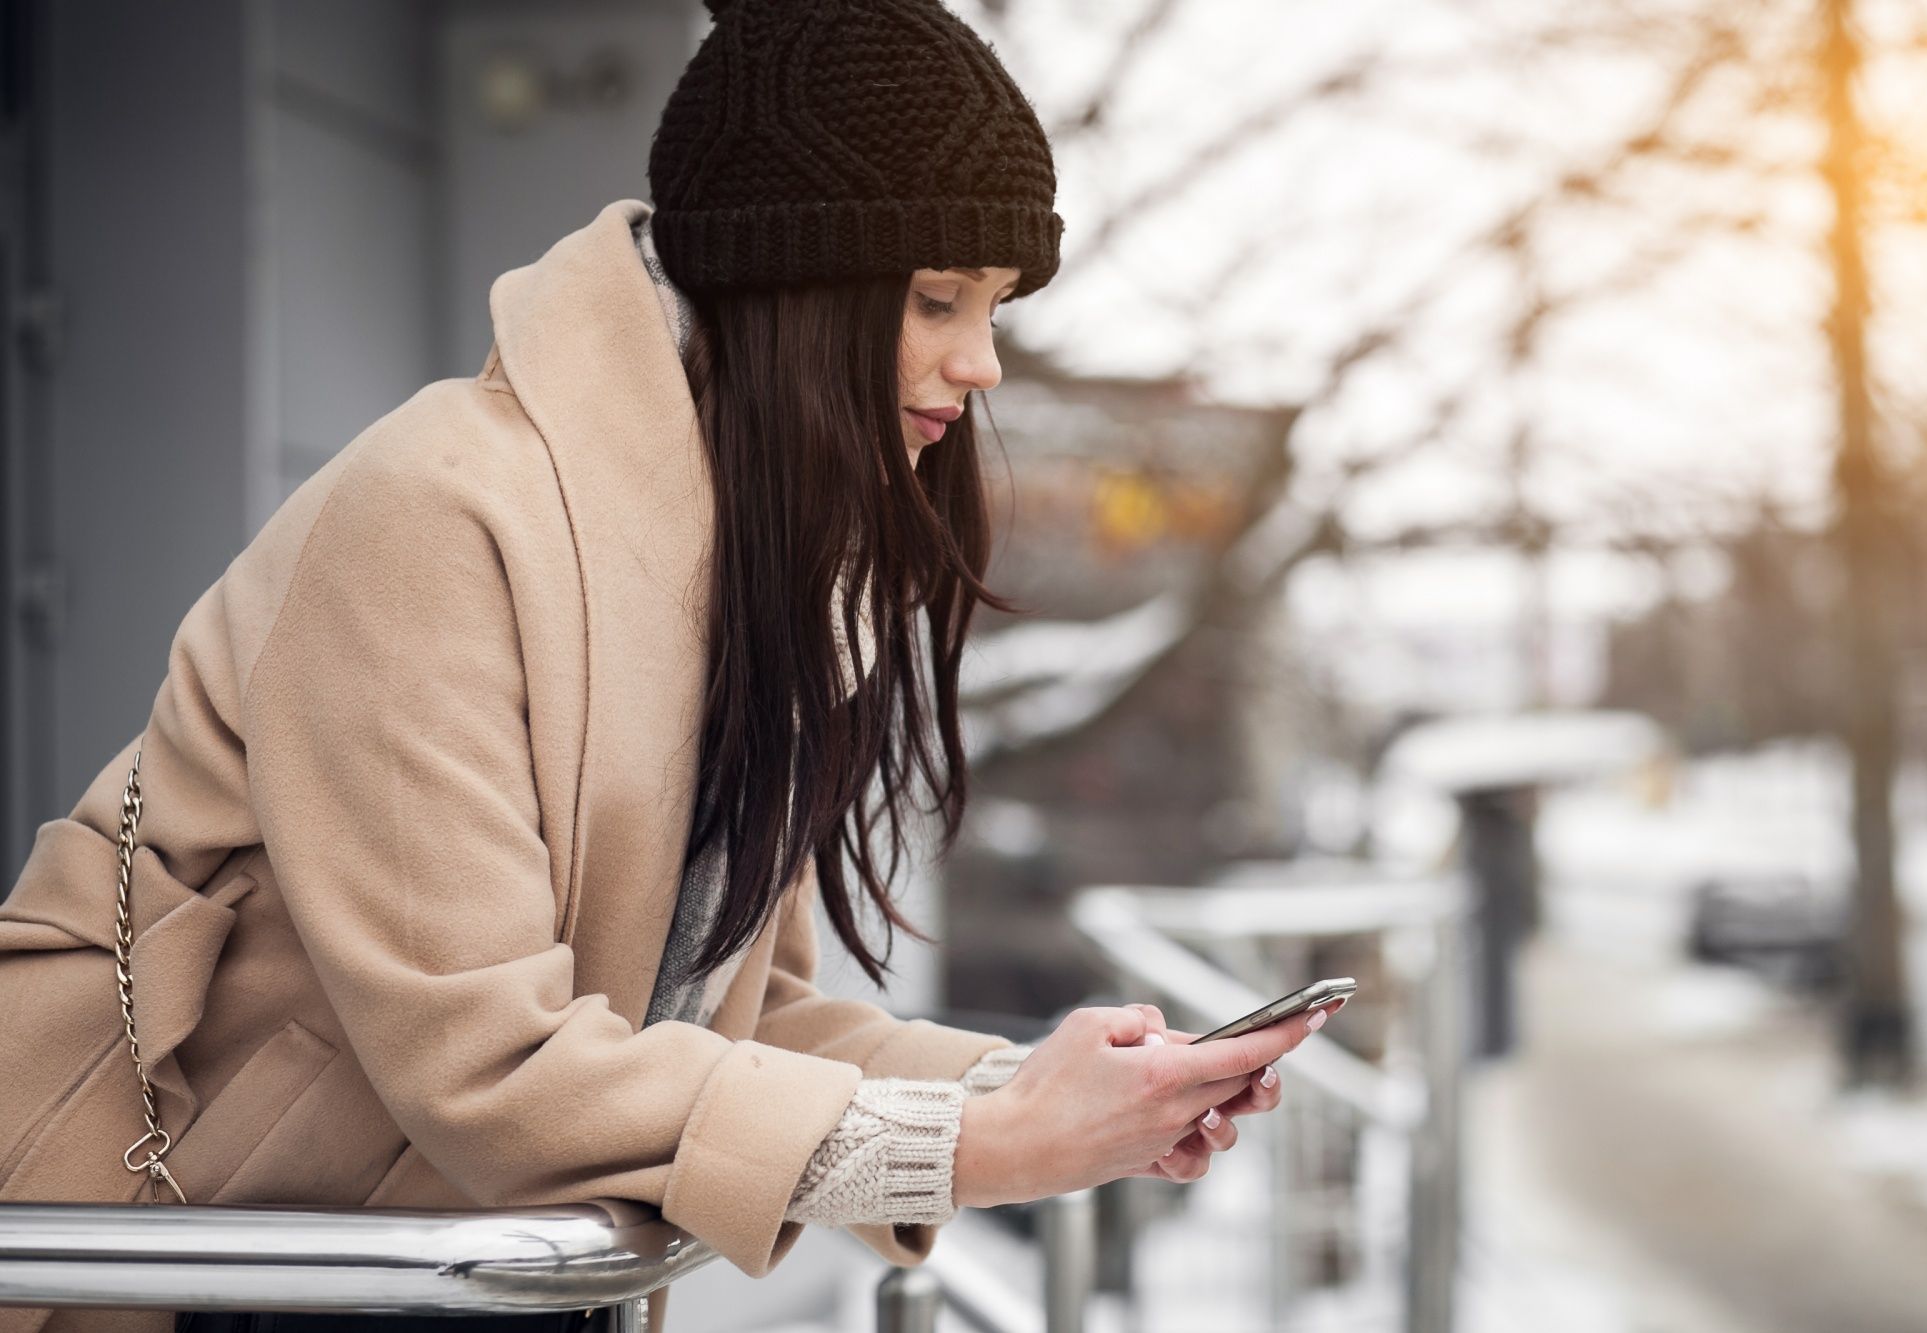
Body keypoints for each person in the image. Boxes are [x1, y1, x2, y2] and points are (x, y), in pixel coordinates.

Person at [0, 1, 1335, 1329]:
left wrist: (1025, 1095)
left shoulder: (764, 570)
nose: (980, 363)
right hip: (177, 1266)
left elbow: (734, 1026)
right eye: (938, 298)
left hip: (438, 1270)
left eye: (993, 305)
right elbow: (492, 1070)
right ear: (788, 279)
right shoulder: (440, 511)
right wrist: (978, 1148)